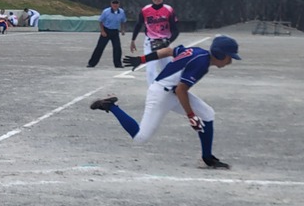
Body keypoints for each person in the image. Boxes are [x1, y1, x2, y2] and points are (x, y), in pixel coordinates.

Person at [89, 35, 240, 169]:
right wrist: (191, 115)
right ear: (220, 54)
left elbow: (168, 51)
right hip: (160, 93)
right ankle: (111, 105)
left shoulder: (198, 52)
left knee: (208, 113)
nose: (230, 61)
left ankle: (207, 158)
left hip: (173, 92)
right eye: (229, 57)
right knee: (141, 137)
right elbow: (181, 90)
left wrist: (142, 59)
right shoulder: (201, 63)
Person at [129, 0, 179, 84]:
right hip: (150, 43)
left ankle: (167, 91)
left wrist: (168, 41)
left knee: (168, 70)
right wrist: (133, 40)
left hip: (165, 43)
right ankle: (152, 93)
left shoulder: (169, 10)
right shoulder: (145, 10)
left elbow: (175, 30)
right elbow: (138, 24)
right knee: (151, 70)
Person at [87, 0, 126, 68]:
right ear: (111, 3)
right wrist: (102, 31)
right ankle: (92, 63)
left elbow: (123, 21)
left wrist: (122, 29)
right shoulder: (106, 11)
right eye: (113, 3)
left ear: (119, 4)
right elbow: (101, 21)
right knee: (100, 47)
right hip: (106, 30)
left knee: (117, 48)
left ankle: (118, 64)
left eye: (116, 3)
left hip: (115, 31)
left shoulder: (122, 12)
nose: (115, 4)